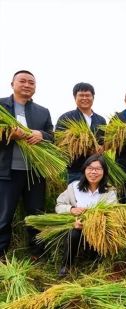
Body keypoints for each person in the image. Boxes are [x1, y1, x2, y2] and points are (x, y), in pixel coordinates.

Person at [0, 70, 54, 258]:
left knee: (35, 214)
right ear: (12, 84)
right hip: (7, 172)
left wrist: (42, 135)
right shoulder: (1, 106)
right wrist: (8, 135)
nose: (27, 85)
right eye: (22, 81)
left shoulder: (42, 111)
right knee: (3, 216)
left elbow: (51, 136)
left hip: (35, 172)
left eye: (31, 82)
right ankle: (1, 254)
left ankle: (37, 253)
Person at [55, 154, 117, 276]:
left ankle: (96, 263)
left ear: (104, 172)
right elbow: (59, 205)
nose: (93, 172)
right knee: (73, 233)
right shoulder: (73, 187)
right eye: (90, 168)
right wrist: (71, 209)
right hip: (76, 227)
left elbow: (113, 214)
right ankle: (66, 265)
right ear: (84, 170)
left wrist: (90, 223)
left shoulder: (110, 191)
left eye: (98, 169)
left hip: (99, 229)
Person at [55, 82, 106, 183]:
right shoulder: (66, 118)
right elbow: (58, 143)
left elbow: (104, 142)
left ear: (93, 97)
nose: (84, 98)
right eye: (81, 95)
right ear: (75, 97)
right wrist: (83, 148)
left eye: (88, 95)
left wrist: (101, 148)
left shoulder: (101, 120)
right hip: (75, 169)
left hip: (96, 170)